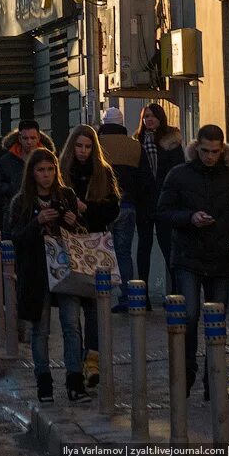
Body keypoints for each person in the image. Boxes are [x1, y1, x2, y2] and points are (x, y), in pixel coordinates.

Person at [158, 125, 229, 399]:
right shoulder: (179, 175)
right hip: (188, 255)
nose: (210, 156)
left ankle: (215, 382)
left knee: (216, 321)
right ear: (196, 148)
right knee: (188, 316)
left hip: (221, 256)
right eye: (205, 151)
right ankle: (186, 374)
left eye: (215, 152)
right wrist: (190, 218)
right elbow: (163, 212)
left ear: (222, 150)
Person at [6, 148, 90, 403]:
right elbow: (15, 237)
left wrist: (72, 220)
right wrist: (37, 221)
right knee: (40, 329)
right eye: (41, 170)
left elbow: (81, 235)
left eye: (51, 170)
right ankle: (44, 381)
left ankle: (75, 380)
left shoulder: (66, 195)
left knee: (72, 326)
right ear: (32, 173)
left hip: (66, 270)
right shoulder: (22, 201)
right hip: (36, 272)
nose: (47, 175)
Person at [59, 124, 121, 390]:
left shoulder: (103, 173)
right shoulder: (61, 172)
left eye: (87, 147)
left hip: (95, 247)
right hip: (66, 247)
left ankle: (93, 363)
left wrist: (86, 208)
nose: (83, 151)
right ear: (72, 147)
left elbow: (112, 210)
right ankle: (74, 369)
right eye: (79, 146)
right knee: (71, 316)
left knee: (95, 311)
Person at [134, 103, 185, 301]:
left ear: (160, 117)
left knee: (168, 246)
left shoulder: (171, 140)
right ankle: (142, 295)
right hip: (144, 202)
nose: (149, 119)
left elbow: (177, 170)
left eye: (153, 115)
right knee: (144, 247)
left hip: (164, 202)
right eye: (146, 116)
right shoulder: (136, 141)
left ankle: (176, 293)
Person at [97, 107, 145, 313]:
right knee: (124, 253)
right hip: (128, 206)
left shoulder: (96, 145)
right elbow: (145, 178)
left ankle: (102, 294)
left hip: (101, 206)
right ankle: (127, 296)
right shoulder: (135, 146)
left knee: (102, 251)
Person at [0, 119, 55, 218]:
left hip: (44, 214)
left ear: (38, 138)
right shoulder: (7, 160)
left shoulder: (48, 159)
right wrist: (12, 188)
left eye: (32, 138)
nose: (29, 142)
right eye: (25, 138)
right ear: (20, 139)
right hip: (14, 215)